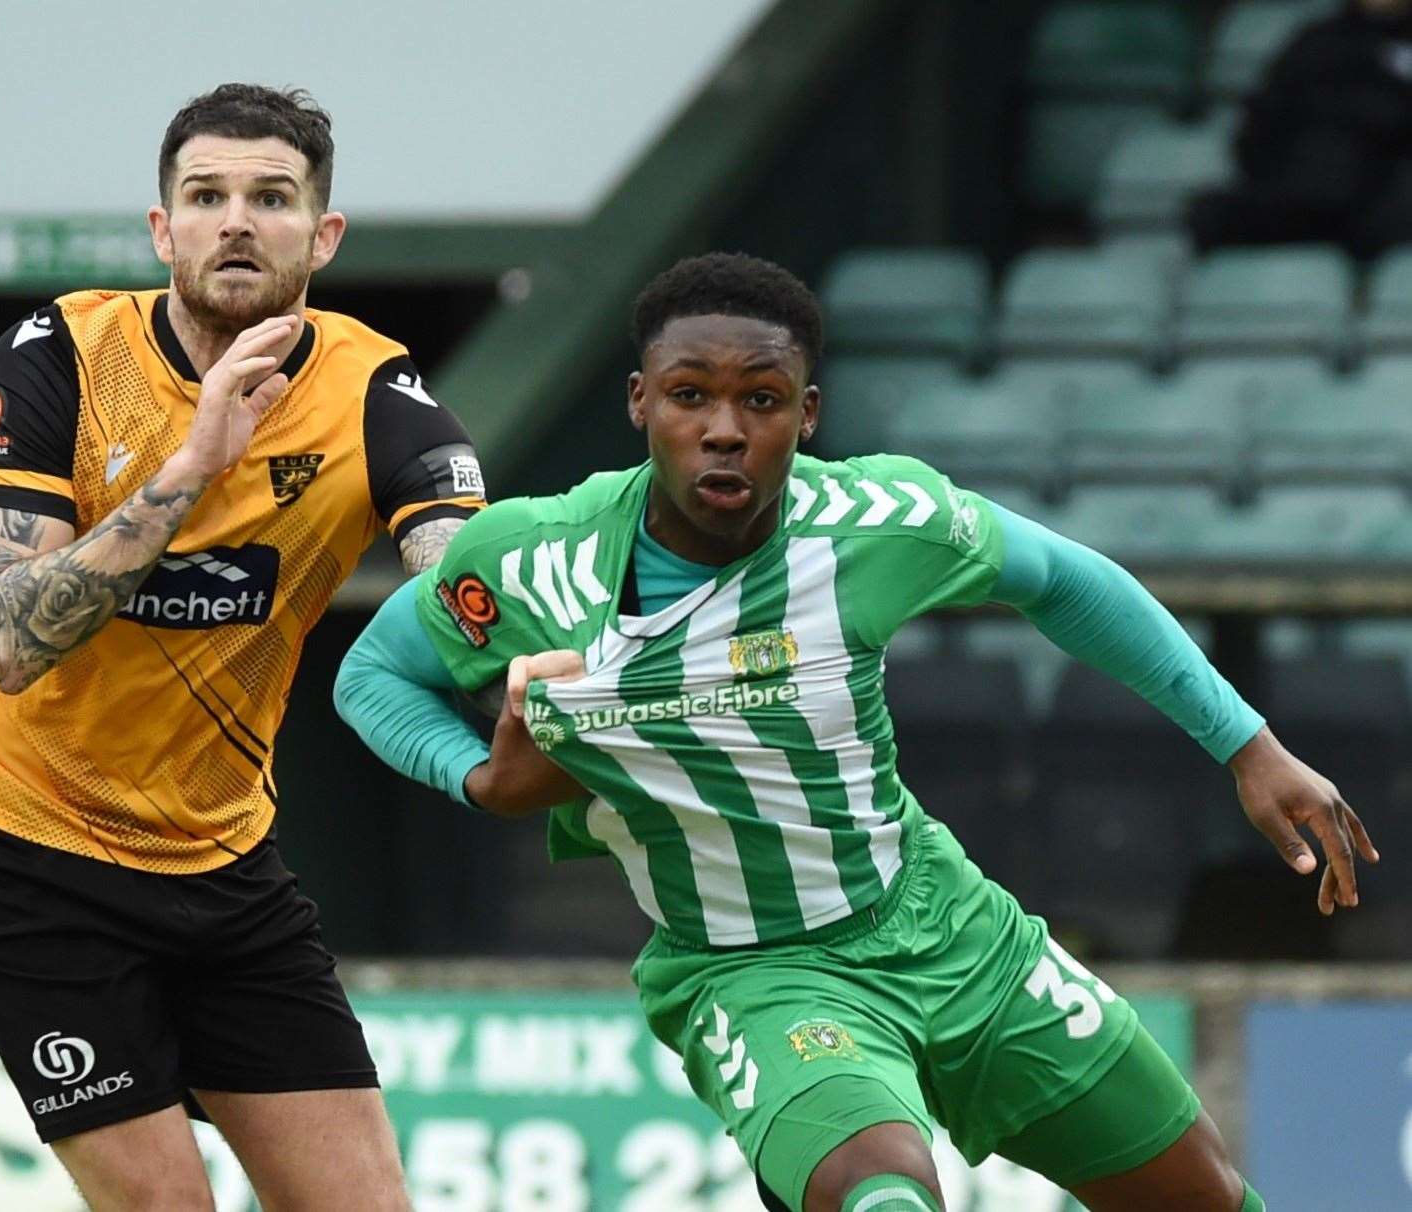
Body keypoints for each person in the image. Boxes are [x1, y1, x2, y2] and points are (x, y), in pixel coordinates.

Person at [335, 252, 1379, 1212]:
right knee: (883, 1195)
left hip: (946, 924)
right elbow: (375, 674)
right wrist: (477, 777)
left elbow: (1064, 579)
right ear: (641, 402)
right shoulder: (530, 559)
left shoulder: (879, 521)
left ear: (809, 412)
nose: (725, 427)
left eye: (763, 400)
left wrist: (1247, 744)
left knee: (1203, 1200)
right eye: (691, 395)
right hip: (751, 969)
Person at [0, 83, 488, 1210]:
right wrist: (192, 466)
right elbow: (2, 642)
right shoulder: (62, 357)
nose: (237, 220)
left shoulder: (374, 394)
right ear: (161, 229)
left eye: (271, 198)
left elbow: (469, 573)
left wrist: (516, 643)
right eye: (207, 195)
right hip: (26, 846)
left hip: (218, 858)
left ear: (321, 237)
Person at [1190, 0, 1412, 258]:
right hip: (1300, 191)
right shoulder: (1316, 41)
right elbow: (1259, 130)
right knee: (1210, 216)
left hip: (1380, 196)